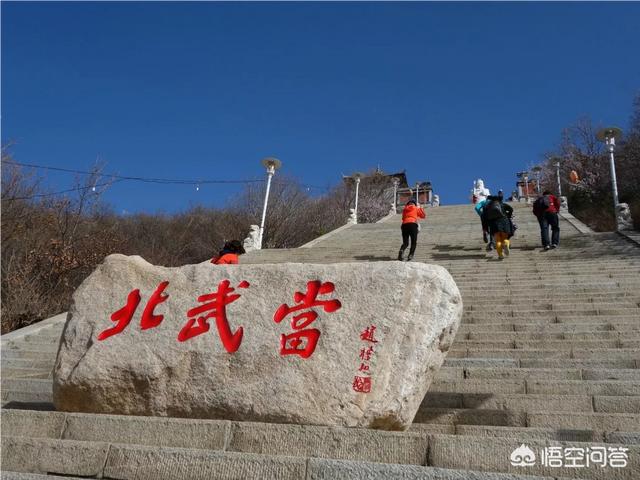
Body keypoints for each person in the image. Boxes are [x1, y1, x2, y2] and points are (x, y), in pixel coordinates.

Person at [482, 193, 514, 260]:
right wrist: (508, 215)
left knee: (498, 240)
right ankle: (505, 244)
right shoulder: (501, 204)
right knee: (505, 238)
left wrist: (485, 229)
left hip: (493, 224)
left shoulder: (487, 207)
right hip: (504, 222)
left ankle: (500, 255)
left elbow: (484, 218)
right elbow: (511, 209)